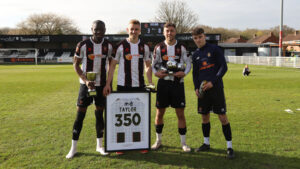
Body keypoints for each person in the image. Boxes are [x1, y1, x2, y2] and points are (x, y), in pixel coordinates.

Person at [103, 19, 153, 155]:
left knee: (140, 116)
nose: (134, 31)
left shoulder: (145, 47)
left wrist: (150, 81)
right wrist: (108, 84)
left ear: (140, 31)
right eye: (132, 29)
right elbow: (112, 66)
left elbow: (148, 65)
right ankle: (120, 145)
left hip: (140, 86)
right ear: (127, 30)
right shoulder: (120, 46)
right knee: (123, 116)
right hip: (123, 86)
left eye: (136, 29)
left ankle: (142, 142)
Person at [66, 20, 113, 159]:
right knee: (80, 115)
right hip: (85, 86)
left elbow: (111, 65)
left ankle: (99, 146)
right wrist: (86, 80)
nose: (98, 32)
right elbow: (76, 65)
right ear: (91, 29)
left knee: (99, 114)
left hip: (101, 86)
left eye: (101, 29)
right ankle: (73, 148)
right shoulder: (83, 45)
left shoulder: (109, 45)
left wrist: (108, 84)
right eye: (95, 29)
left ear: (105, 30)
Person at [191, 27, 234, 159]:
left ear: (204, 36)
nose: (198, 40)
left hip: (216, 89)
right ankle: (206, 143)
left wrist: (213, 82)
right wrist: (196, 88)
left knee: (222, 117)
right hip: (203, 91)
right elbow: (195, 73)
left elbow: (223, 67)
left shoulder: (214, 49)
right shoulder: (195, 54)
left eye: (200, 37)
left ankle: (229, 146)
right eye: (195, 38)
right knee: (204, 117)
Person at [151, 22, 192, 152]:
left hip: (177, 84)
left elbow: (189, 64)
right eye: (167, 31)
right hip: (163, 84)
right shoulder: (158, 47)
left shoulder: (182, 47)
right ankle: (158, 141)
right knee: (159, 113)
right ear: (164, 32)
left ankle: (184, 143)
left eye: (172, 31)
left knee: (180, 114)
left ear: (175, 32)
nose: (169, 33)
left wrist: (184, 73)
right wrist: (156, 73)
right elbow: (152, 65)